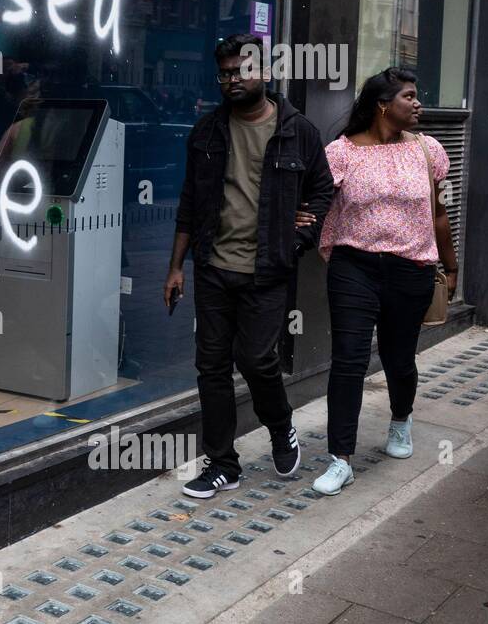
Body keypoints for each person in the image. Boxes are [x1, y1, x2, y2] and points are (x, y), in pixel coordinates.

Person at [165, 34, 334, 498]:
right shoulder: (206, 132)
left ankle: (280, 426)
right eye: (225, 73)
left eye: (242, 70)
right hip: (213, 268)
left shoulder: (297, 130)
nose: (232, 80)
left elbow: (322, 189)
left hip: (267, 270)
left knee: (258, 360)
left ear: (266, 71)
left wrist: (299, 236)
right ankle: (222, 463)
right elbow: (189, 203)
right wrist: (176, 266)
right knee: (211, 367)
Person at [310, 67, 458, 495]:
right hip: (353, 266)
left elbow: (438, 214)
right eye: (409, 96)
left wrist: (451, 268)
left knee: (399, 358)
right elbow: (315, 201)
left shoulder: (427, 150)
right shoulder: (341, 153)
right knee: (348, 361)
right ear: (382, 105)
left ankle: (400, 419)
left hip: (410, 268)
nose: (418, 103)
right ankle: (341, 459)